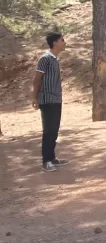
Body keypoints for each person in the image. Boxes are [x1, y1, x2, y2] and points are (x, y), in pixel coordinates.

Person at [32, 32, 68, 173]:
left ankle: (52, 158)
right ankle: (46, 161)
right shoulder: (45, 59)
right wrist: (34, 97)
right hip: (47, 100)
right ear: (54, 43)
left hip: (56, 99)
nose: (64, 42)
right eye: (62, 40)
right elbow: (37, 79)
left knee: (54, 130)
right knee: (48, 130)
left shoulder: (54, 60)